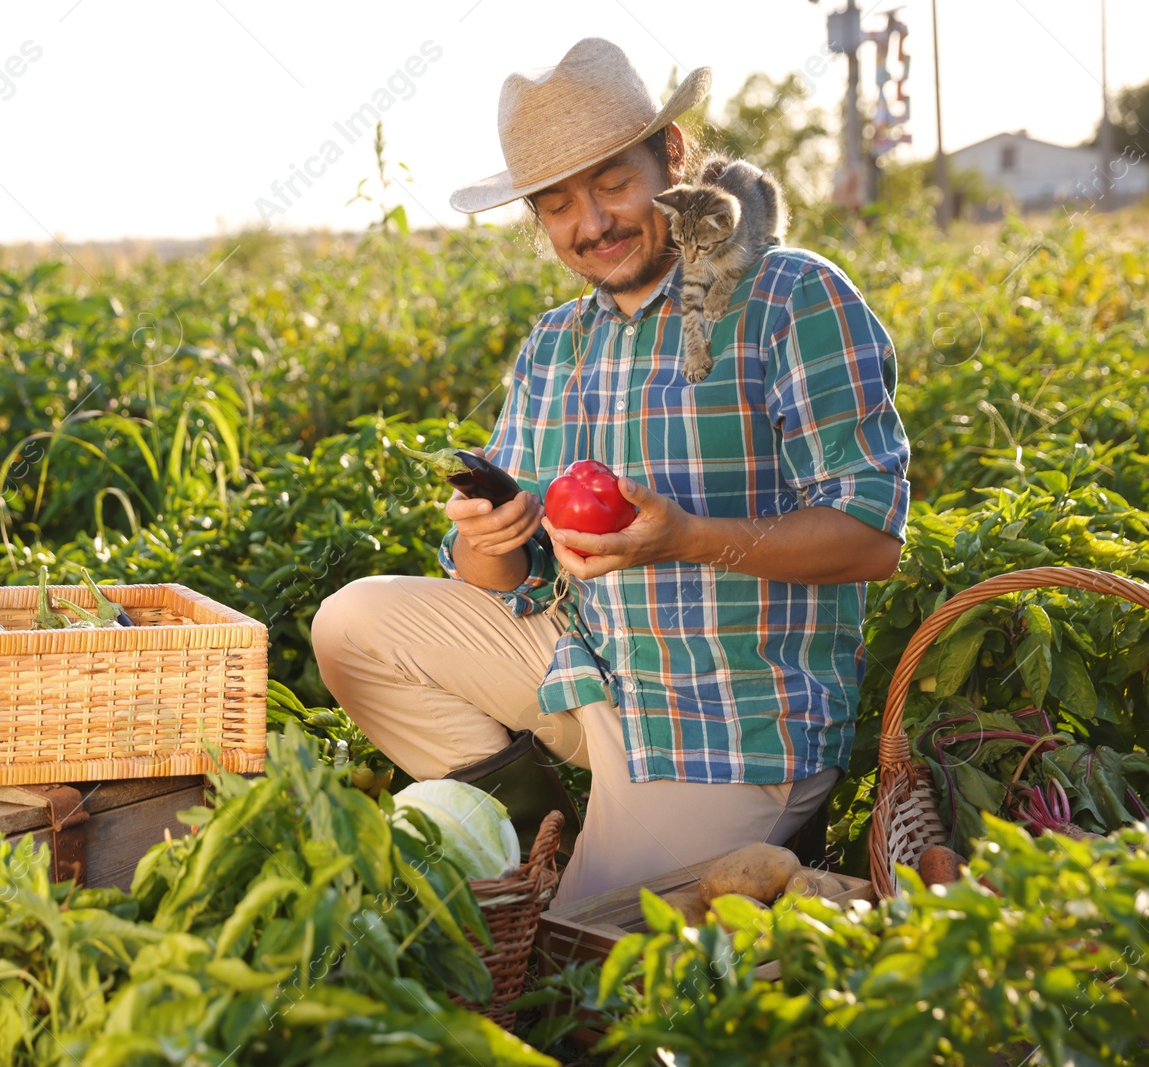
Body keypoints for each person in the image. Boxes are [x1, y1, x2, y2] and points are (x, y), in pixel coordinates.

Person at [310, 37, 910, 904]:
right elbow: (495, 580)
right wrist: (491, 536)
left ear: (671, 157)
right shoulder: (559, 341)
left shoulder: (790, 297)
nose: (591, 224)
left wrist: (688, 537)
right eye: (557, 206)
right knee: (351, 625)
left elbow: (871, 537)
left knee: (587, 969)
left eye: (612, 185)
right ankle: (535, 844)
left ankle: (655, 875)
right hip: (590, 667)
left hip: (726, 716)